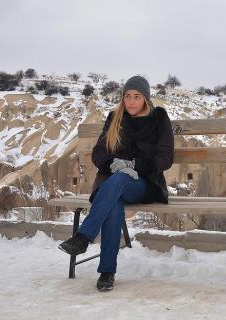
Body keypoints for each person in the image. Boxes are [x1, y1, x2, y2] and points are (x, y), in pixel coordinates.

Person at [58, 75, 174, 291]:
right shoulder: (115, 118)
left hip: (144, 184)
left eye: (136, 97)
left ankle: (83, 237)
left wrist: (134, 165)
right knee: (114, 202)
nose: (131, 101)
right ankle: (106, 273)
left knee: (118, 182)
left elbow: (166, 157)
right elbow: (98, 153)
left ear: (146, 99)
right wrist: (112, 164)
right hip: (114, 184)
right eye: (127, 96)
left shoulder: (159, 119)